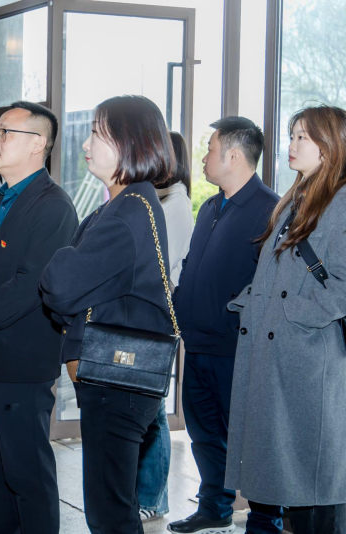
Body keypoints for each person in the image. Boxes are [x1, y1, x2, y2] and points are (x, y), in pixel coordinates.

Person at [40, 95, 176, 534]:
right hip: (119, 379)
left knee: (109, 511)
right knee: (112, 503)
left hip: (118, 383)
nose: (86, 144)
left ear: (130, 143)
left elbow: (59, 285)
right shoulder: (126, 204)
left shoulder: (126, 212)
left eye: (98, 134)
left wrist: (61, 255)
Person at [0, 102, 78, 534]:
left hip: (21, 359)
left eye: (6, 132)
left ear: (37, 144)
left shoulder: (53, 205)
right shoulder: (5, 197)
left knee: (27, 472)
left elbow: (31, 282)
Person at [225, 105, 346, 534]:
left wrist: (288, 311)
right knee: (286, 481)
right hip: (276, 354)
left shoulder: (341, 202)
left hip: (308, 361)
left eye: (302, 137)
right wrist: (251, 301)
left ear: (329, 145)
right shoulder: (296, 197)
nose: (291, 144)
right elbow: (280, 272)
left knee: (313, 487)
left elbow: (341, 288)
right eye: (291, 135)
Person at [168, 118, 279, 534]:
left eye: (210, 150)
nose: (203, 158)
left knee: (251, 441)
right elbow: (193, 267)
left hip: (238, 348)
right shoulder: (211, 207)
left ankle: (266, 521)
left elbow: (271, 286)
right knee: (204, 435)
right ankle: (214, 507)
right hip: (197, 344)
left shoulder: (271, 210)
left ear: (233, 155)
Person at [136, 131, 194, 522]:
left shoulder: (176, 204)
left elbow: (160, 265)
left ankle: (153, 499)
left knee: (154, 413)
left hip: (157, 318)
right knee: (146, 410)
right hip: (147, 317)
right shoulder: (157, 199)